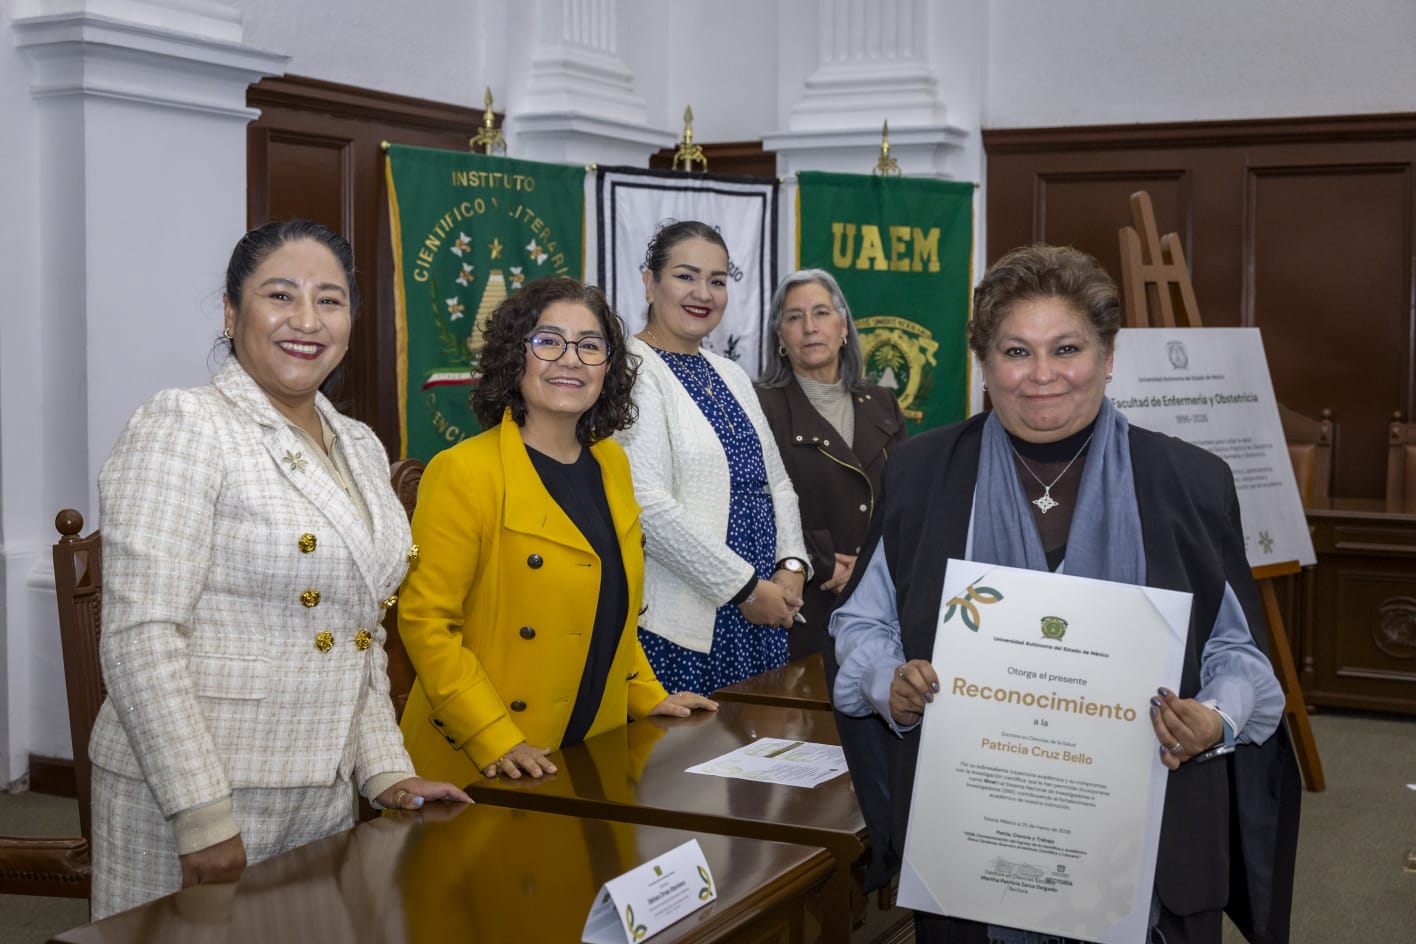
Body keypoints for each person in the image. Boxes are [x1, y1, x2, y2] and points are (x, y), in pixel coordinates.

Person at [829, 244, 1299, 944]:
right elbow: (861, 626)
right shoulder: (922, 475)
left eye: (1068, 348)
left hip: (1151, 846)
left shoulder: (1189, 482)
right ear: (985, 366)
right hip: (972, 843)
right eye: (1016, 351)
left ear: (1108, 358)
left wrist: (1214, 720)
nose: (1042, 375)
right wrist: (883, 683)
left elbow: (1240, 652)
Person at [89, 219, 469, 918]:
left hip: (320, 787)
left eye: (329, 300)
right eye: (280, 296)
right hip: (197, 791)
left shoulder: (356, 441)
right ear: (233, 313)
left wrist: (386, 771)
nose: (306, 321)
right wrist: (199, 811)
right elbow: (141, 636)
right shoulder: (185, 424)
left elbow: (361, 631)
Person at [398, 276, 716, 785]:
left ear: (608, 367)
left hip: (595, 747)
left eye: (590, 346)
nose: (570, 360)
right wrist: (492, 735)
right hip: (491, 762)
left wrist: (647, 695)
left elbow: (608, 607)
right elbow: (427, 624)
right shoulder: (463, 471)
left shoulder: (612, 462)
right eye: (548, 342)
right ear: (513, 356)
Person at [617, 220, 812, 696]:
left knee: (758, 761)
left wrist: (791, 566)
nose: (702, 292)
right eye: (685, 276)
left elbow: (777, 484)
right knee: (685, 763)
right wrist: (745, 589)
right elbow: (648, 507)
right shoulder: (629, 368)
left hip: (764, 610)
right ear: (649, 281)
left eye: (718, 280)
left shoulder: (731, 373)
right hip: (684, 619)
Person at [756, 269, 907, 659]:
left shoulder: (883, 403)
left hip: (879, 606)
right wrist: (826, 565)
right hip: (801, 611)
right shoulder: (758, 406)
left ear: (843, 327)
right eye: (794, 317)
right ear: (780, 338)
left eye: (821, 313)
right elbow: (752, 508)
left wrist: (869, 564)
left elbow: (906, 503)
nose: (809, 327)